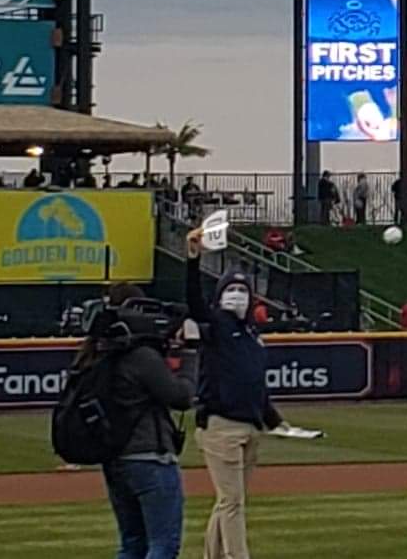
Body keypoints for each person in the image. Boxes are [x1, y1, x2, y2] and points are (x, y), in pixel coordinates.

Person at [184, 230, 284, 559]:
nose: (237, 295)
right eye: (231, 290)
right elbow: (195, 302)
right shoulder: (217, 324)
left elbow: (255, 384)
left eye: (243, 290)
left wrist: (275, 420)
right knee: (232, 503)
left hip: (250, 426)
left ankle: (211, 555)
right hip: (221, 425)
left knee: (227, 501)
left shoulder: (252, 336)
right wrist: (193, 260)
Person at [79, 283, 194, 559]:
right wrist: (191, 353)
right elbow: (181, 396)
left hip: (115, 457)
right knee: (163, 544)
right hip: (149, 455)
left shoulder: (98, 351)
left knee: (132, 542)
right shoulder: (140, 356)